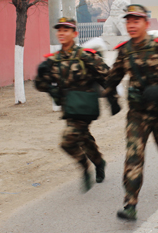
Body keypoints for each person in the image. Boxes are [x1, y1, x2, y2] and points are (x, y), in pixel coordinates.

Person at [103, 4, 158, 220]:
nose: (131, 25)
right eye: (128, 21)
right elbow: (112, 77)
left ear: (146, 23)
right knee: (133, 155)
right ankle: (130, 204)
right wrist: (108, 95)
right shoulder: (126, 50)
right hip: (137, 113)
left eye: (136, 20)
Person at [35, 17, 117, 192]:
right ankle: (99, 162)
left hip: (85, 107)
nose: (62, 33)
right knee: (84, 139)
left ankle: (84, 167)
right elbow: (41, 85)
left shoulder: (85, 56)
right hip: (69, 108)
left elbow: (107, 75)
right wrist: (42, 77)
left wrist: (112, 98)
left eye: (66, 30)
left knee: (68, 141)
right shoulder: (54, 60)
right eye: (59, 30)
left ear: (75, 34)